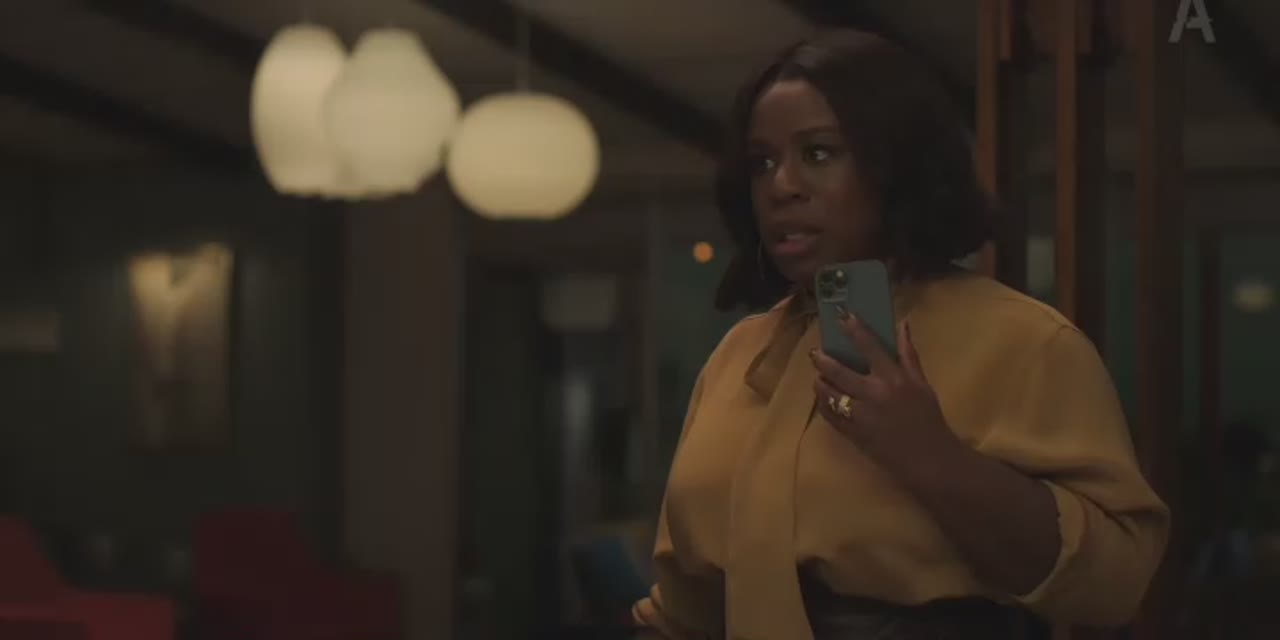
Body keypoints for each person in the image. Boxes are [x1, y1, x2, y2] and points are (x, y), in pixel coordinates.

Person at [631, 29, 1170, 640]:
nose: (782, 186)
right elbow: (680, 607)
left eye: (818, 153)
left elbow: (1115, 582)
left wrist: (929, 454)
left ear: (897, 165)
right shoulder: (738, 355)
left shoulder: (1024, 342)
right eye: (763, 163)